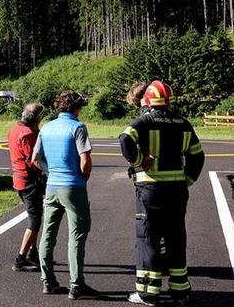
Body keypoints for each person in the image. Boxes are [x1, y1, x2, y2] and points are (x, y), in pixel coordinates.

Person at [118, 80, 205, 306]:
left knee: (148, 238)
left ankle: (148, 292)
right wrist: (188, 179)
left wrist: (139, 160)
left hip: (151, 189)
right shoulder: (184, 123)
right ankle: (180, 290)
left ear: (147, 101)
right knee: (176, 237)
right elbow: (197, 155)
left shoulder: (144, 120)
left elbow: (125, 139)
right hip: (177, 190)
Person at [33, 90, 100, 300]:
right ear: (76, 108)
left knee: (48, 235)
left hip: (52, 186)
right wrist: (83, 177)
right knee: (77, 236)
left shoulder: (46, 128)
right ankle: (76, 284)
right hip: (73, 186)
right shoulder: (78, 127)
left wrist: (50, 171)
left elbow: (35, 159)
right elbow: (85, 160)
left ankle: (48, 281)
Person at [7, 103, 46, 272]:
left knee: (36, 215)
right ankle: (20, 258)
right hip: (30, 181)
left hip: (19, 179)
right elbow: (33, 160)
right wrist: (48, 171)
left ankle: (33, 252)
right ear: (38, 118)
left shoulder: (15, 130)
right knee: (35, 220)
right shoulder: (28, 134)